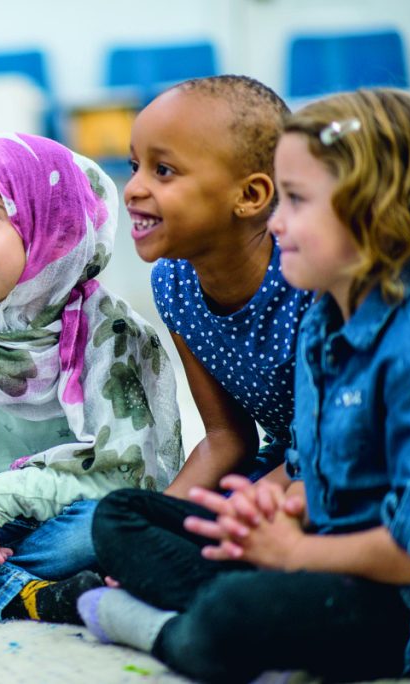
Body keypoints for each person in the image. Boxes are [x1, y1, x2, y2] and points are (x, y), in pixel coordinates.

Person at [79, 88, 410, 683]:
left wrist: (293, 547)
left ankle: (175, 627)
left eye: (297, 200)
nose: (277, 224)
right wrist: (273, 508)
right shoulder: (324, 326)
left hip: (387, 588)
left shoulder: (378, 326)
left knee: (233, 612)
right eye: (136, 166)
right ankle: (258, 619)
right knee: (119, 518)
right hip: (316, 528)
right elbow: (300, 466)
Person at [0, 133, 184, 624]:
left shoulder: (109, 331)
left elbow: (122, 473)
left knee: (108, 525)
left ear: (53, 224)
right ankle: (37, 596)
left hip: (65, 523)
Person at [126, 75, 314, 498]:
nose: (134, 188)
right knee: (126, 522)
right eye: (135, 166)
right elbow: (227, 436)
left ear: (249, 195)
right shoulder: (173, 282)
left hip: (352, 461)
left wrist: (235, 517)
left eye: (164, 170)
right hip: (287, 462)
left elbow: (335, 447)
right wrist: (158, 518)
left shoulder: (311, 274)